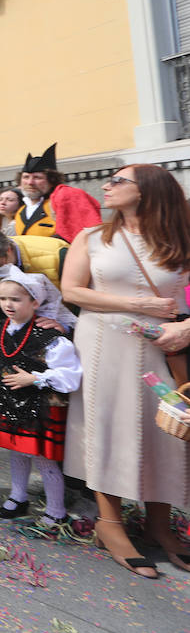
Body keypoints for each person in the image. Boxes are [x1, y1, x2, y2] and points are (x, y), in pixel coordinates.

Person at [62, 164, 190, 578]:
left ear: (147, 190)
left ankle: (159, 525)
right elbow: (71, 291)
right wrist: (138, 305)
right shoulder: (93, 237)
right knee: (107, 426)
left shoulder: (180, 240)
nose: (106, 185)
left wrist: (185, 327)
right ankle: (110, 523)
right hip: (102, 346)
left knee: (164, 434)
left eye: (118, 180)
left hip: (161, 352)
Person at [0, 273, 82, 526]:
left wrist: (35, 379)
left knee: (44, 460)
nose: (8, 305)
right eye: (3, 298)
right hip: (10, 399)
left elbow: (70, 376)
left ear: (35, 303)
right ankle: (18, 497)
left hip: (41, 405)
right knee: (16, 452)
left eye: (16, 299)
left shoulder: (50, 337)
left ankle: (56, 511)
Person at [14, 144, 102, 242]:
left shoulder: (61, 201)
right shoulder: (20, 211)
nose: (30, 182)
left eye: (37, 177)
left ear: (51, 181)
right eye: (26, 177)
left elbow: (83, 237)